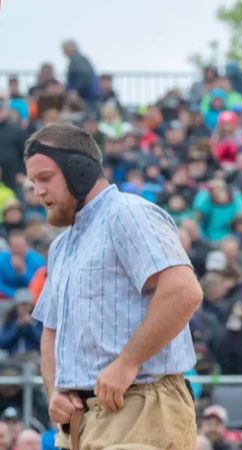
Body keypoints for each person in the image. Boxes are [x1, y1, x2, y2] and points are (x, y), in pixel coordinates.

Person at [25, 123, 202, 448]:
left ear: (78, 170)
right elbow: (51, 332)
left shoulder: (129, 214)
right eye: (33, 182)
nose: (38, 192)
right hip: (80, 422)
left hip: (140, 409)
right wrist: (55, 393)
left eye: (45, 178)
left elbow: (183, 291)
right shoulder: (61, 247)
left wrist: (127, 363)